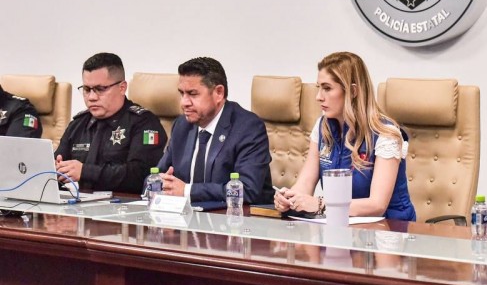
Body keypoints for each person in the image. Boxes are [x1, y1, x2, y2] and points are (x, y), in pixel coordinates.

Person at [274, 52, 415, 220]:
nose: (318, 97)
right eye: (319, 88)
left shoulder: (385, 133)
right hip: (344, 226)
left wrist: (320, 204)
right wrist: (289, 199)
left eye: (327, 88)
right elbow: (305, 183)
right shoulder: (322, 126)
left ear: (353, 91)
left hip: (391, 228)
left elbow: (377, 205)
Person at [158, 57, 273, 204]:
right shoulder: (182, 125)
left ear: (218, 93)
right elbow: (155, 176)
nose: (184, 102)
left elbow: (247, 190)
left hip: (234, 216)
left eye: (193, 94)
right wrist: (160, 183)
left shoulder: (248, 127)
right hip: (185, 216)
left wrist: (187, 191)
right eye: (182, 93)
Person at [55, 53, 167, 193]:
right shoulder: (78, 124)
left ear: (122, 88)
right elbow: (56, 164)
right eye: (87, 89)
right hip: (80, 202)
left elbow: (140, 175)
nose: (92, 97)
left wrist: (86, 171)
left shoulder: (143, 123)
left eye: (100, 89)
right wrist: (55, 169)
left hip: (124, 203)